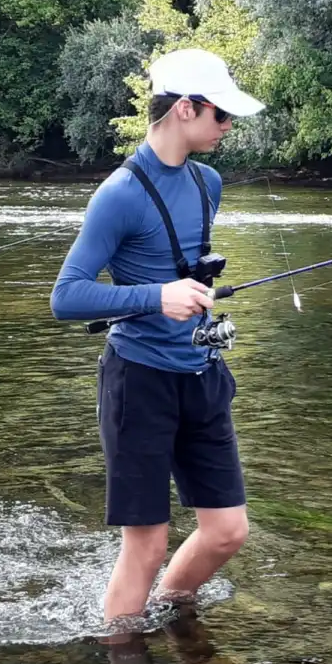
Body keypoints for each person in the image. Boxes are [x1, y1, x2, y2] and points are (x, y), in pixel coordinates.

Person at [49, 48, 265, 624]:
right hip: (138, 381)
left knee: (227, 531)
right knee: (145, 545)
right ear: (185, 109)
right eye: (222, 116)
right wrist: (156, 296)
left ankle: (171, 612)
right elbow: (65, 296)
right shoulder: (118, 195)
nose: (228, 128)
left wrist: (192, 292)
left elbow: (185, 267)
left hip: (200, 374)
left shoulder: (208, 183)